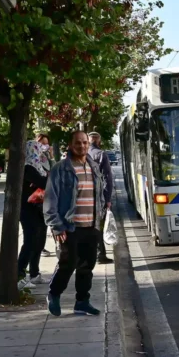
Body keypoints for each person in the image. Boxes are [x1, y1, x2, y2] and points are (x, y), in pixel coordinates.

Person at [44, 131, 107, 316]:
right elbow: (50, 198)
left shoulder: (93, 166)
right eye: (78, 143)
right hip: (69, 226)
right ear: (71, 145)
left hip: (91, 225)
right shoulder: (61, 168)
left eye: (85, 142)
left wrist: (101, 214)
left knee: (87, 266)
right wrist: (56, 225)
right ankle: (54, 294)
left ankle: (82, 302)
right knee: (68, 263)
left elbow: (99, 193)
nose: (82, 146)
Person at [18, 135, 52, 284]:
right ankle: (19, 275)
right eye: (38, 150)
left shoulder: (39, 166)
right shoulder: (27, 167)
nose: (40, 153)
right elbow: (44, 182)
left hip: (40, 209)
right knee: (30, 242)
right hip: (28, 210)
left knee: (39, 242)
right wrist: (49, 178)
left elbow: (49, 176)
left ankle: (34, 273)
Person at [88, 131, 115, 264]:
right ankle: (100, 255)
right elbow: (107, 178)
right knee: (98, 225)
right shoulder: (101, 154)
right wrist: (107, 199)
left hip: (83, 197)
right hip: (99, 197)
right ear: (98, 141)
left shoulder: (82, 154)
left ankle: (92, 255)